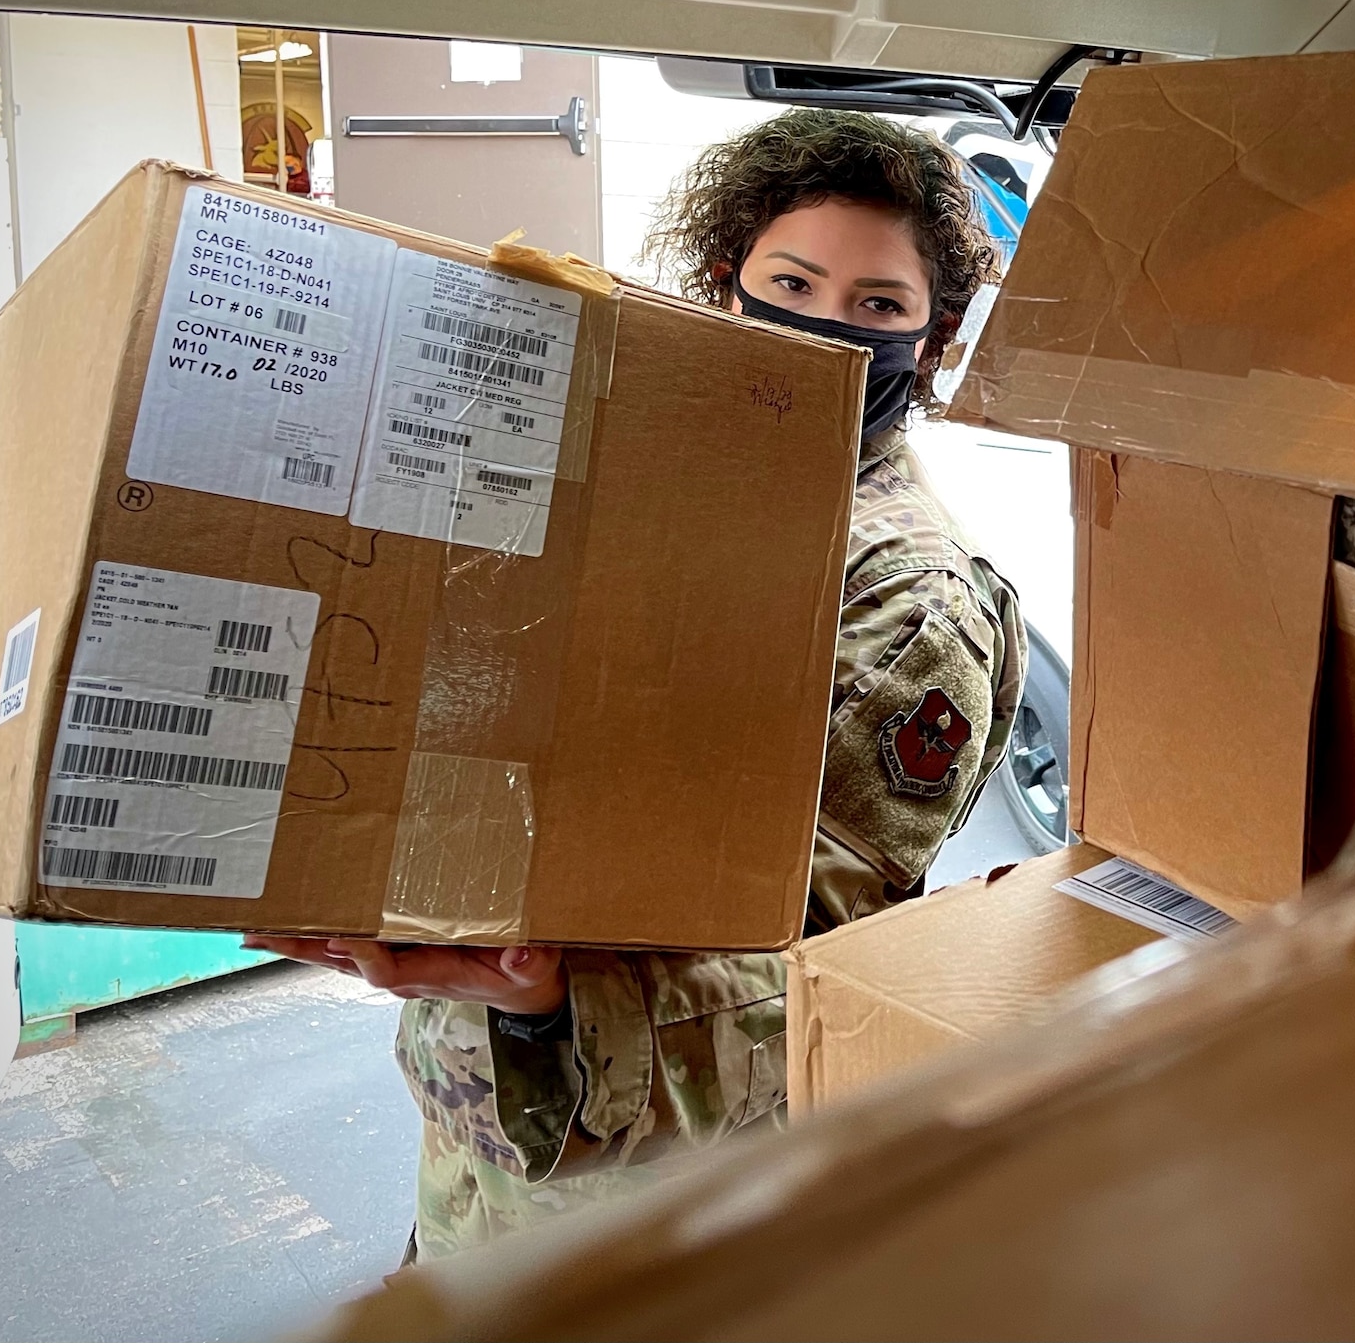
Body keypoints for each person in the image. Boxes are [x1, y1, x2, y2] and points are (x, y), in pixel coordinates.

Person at [247, 109, 1027, 1260]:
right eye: (792, 282)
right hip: (480, 1168)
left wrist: (543, 1001)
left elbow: (813, 980)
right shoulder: (645, 482)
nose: (823, 331)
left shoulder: (909, 600)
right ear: (726, 287)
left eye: (878, 306)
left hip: (665, 1216)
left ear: (935, 334)